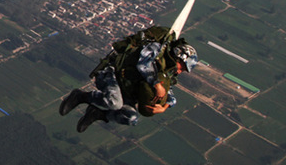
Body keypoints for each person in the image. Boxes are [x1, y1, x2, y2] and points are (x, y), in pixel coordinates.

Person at [58, 27, 197, 132]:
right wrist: (156, 84)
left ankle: (97, 114)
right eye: (183, 67)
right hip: (112, 75)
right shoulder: (157, 49)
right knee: (115, 103)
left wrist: (165, 106)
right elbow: (143, 64)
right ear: (180, 57)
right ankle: (81, 96)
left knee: (131, 118)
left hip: (127, 90)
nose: (181, 71)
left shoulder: (167, 71)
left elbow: (168, 91)